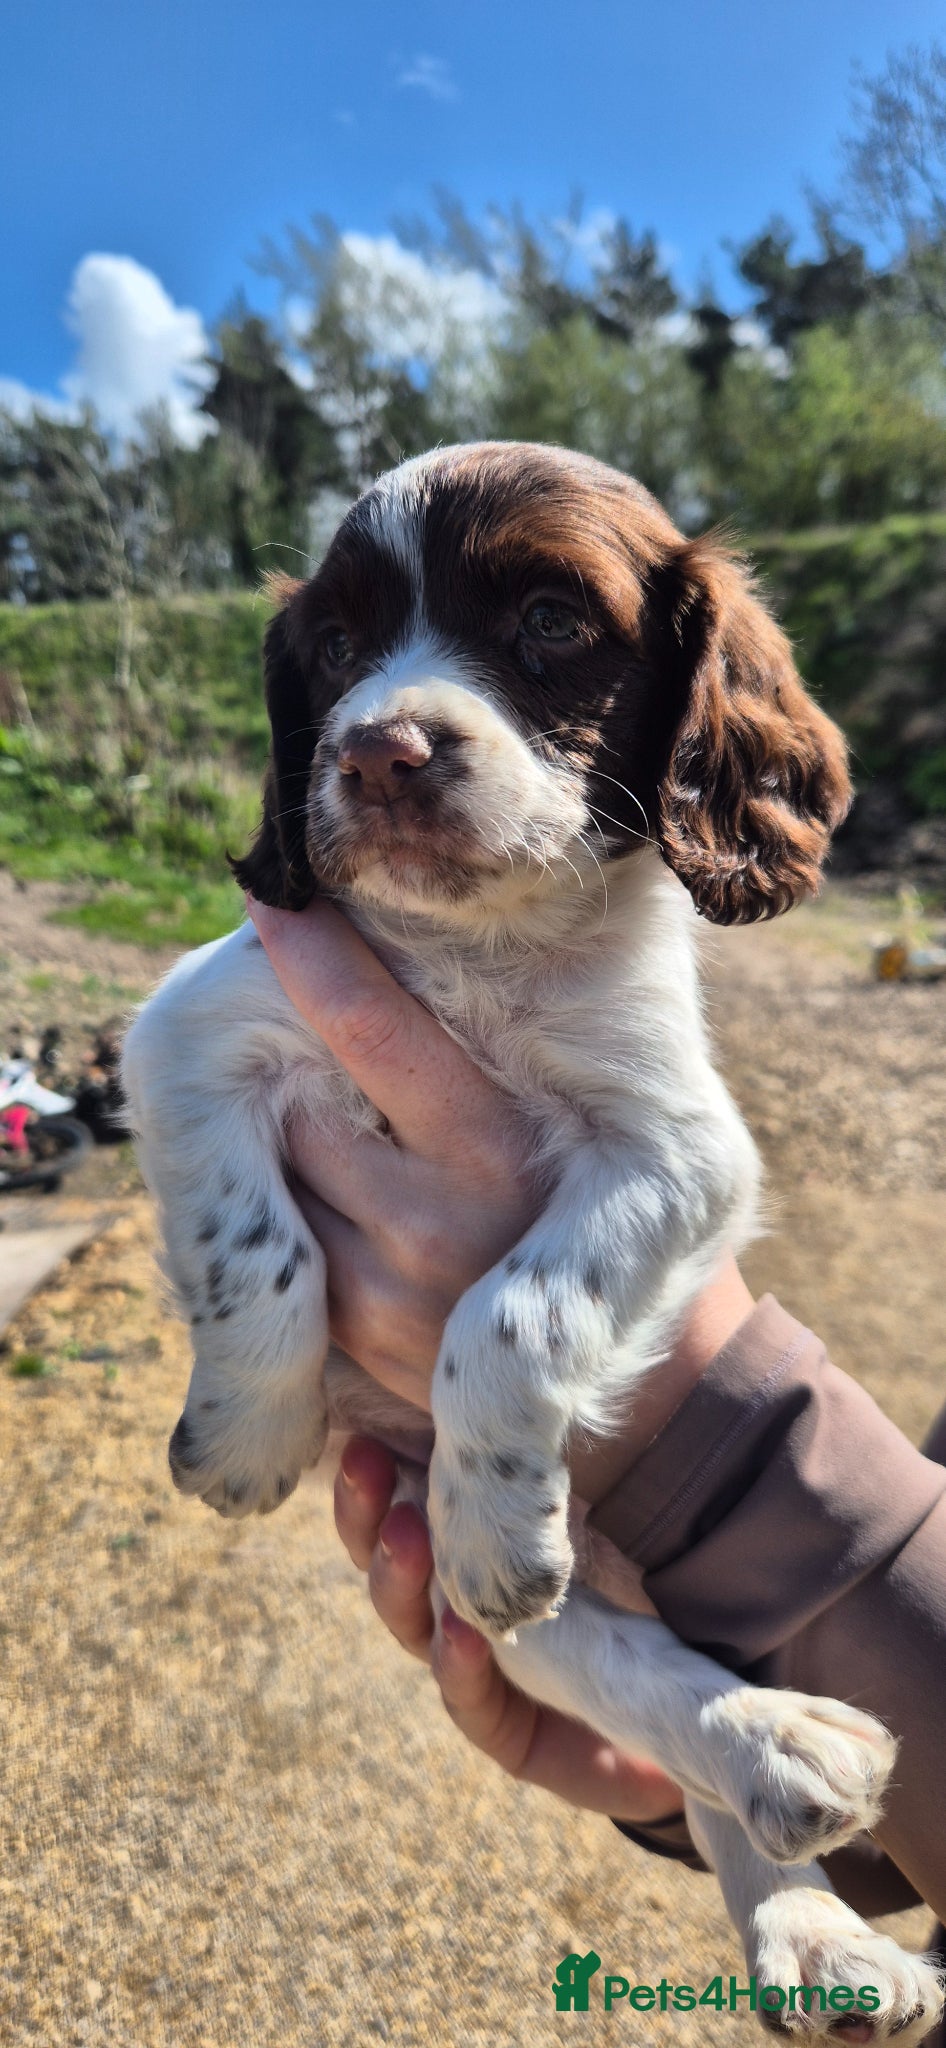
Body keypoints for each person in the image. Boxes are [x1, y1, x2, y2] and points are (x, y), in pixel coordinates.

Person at [246, 896, 946, 1954]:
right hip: (484, 1512)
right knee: (546, 1628)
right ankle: (784, 1889)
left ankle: (766, 1851)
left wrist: (711, 1447)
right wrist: (683, 1789)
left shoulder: (622, 928)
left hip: (568, 1461)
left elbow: (685, 1156)